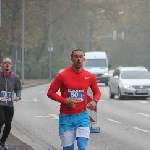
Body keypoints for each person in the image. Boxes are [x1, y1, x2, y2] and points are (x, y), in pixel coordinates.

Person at [47, 48, 101, 150]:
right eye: (76, 57)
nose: (78, 59)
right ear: (71, 59)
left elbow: (97, 92)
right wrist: (65, 101)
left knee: (82, 146)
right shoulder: (63, 75)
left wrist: (94, 101)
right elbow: (50, 93)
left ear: (84, 59)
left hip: (82, 116)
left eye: (81, 57)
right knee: (68, 149)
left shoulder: (89, 76)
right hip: (66, 117)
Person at [0, 58, 22, 149]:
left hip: (9, 104)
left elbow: (18, 89)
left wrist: (18, 96)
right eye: (5, 63)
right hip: (0, 104)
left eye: (9, 63)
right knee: (1, 120)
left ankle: (3, 141)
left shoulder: (15, 77)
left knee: (8, 124)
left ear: (11, 65)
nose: (7, 65)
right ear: (2, 65)